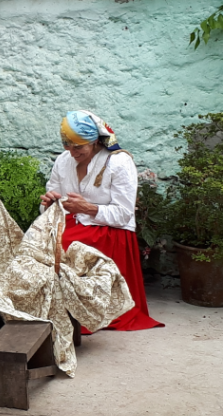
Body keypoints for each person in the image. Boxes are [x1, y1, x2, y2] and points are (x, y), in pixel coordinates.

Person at [41, 111, 162, 331]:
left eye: (79, 147)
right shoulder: (63, 160)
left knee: (64, 247)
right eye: (68, 146)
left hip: (108, 230)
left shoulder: (119, 162)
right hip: (72, 224)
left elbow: (123, 214)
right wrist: (49, 203)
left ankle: (79, 312)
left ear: (95, 140)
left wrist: (87, 208)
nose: (72, 152)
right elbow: (52, 197)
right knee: (36, 245)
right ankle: (48, 307)